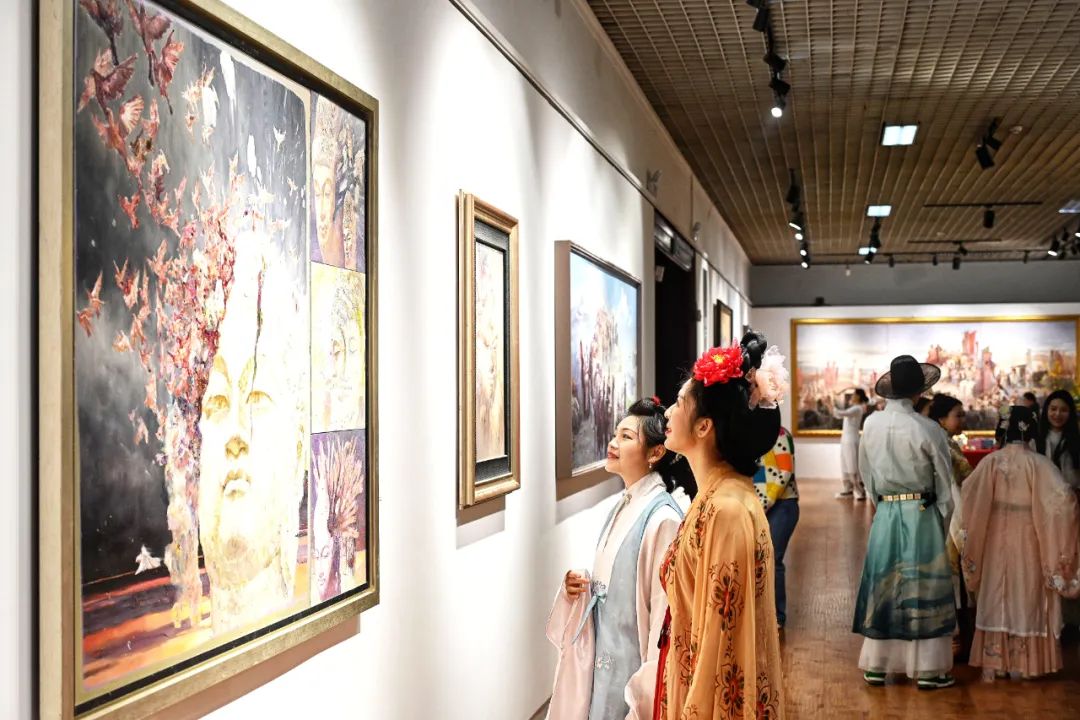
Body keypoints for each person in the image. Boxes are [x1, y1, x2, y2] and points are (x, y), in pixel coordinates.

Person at [655, 331, 787, 719]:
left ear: (704, 427)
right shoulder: (714, 497)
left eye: (680, 403)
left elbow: (723, 640)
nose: (667, 413)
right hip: (685, 672)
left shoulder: (726, 509)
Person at [546, 398, 687, 720]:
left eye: (626, 437)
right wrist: (577, 587)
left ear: (655, 453)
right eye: (615, 434)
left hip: (632, 671)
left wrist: (651, 693)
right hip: (603, 666)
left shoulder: (663, 519)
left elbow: (663, 617)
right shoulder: (625, 504)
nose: (612, 443)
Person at [953, 406, 1080, 680]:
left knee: (996, 591)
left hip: (995, 536)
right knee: (1027, 592)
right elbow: (1064, 500)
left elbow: (969, 494)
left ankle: (997, 663)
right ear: (1031, 429)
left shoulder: (990, 462)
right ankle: (1027, 664)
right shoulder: (1039, 464)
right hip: (1028, 537)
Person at [853, 355, 957, 690]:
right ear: (918, 391)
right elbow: (944, 483)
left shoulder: (871, 425)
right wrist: (943, 518)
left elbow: (866, 474)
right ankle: (929, 670)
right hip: (922, 511)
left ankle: (878, 665)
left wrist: (883, 505)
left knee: (884, 584)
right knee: (924, 585)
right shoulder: (927, 428)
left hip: (886, 512)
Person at [753, 426, 799, 629]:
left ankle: (776, 616)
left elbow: (784, 472)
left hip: (782, 505)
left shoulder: (779, 434)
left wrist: (763, 503)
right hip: (757, 506)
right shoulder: (745, 433)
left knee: (772, 558)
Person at [829, 389, 868, 500]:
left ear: (858, 396)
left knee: (852, 465)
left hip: (851, 440)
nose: (852, 396)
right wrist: (830, 405)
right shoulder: (854, 408)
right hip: (846, 440)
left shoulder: (857, 408)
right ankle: (848, 489)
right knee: (845, 464)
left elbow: (840, 413)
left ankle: (860, 491)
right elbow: (838, 415)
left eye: (854, 394)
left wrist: (830, 404)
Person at [1038, 390, 1080, 490]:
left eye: (1064, 410)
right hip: (1043, 495)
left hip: (1072, 495)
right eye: (1053, 409)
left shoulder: (1076, 439)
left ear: (1070, 413)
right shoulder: (1036, 439)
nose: (1057, 414)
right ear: (1046, 410)